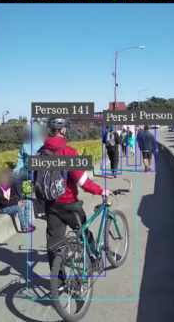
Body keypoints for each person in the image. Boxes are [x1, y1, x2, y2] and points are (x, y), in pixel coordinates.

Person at [41, 118, 111, 286]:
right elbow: (82, 181)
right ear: (63, 130)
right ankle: (95, 262)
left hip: (50, 205)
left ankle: (58, 283)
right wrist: (101, 191)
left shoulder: (40, 152)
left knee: (54, 245)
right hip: (69, 204)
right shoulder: (68, 152)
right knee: (84, 234)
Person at [13, 123, 45, 218]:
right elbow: (21, 158)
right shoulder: (25, 143)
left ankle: (41, 211)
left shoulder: (43, 143)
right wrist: (17, 168)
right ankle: (19, 200)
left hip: (38, 170)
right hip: (27, 169)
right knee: (15, 177)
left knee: (38, 186)